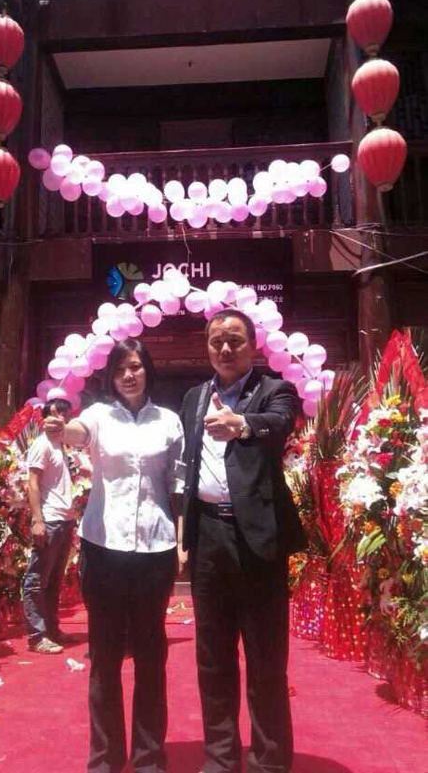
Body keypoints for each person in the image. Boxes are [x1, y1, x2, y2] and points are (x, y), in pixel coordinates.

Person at [44, 339, 185, 773]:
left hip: (155, 549)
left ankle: (149, 758)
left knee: (150, 656)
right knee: (104, 657)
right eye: (121, 368)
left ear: (148, 371)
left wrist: (182, 543)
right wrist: (60, 429)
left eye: (136, 367)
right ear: (111, 375)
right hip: (104, 549)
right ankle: (105, 758)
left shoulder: (169, 421)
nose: (129, 375)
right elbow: (78, 433)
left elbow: (177, 486)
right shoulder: (99, 416)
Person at [179, 309, 307, 773]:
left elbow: (281, 422)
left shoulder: (276, 389)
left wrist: (242, 424)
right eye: (216, 341)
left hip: (258, 539)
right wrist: (183, 535)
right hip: (208, 536)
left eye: (234, 339)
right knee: (212, 656)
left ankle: (270, 760)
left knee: (265, 655)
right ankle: (221, 757)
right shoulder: (194, 397)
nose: (225, 348)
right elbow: (188, 466)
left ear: (253, 345)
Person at [23, 398, 77, 654]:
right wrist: (37, 519)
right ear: (45, 418)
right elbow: (32, 483)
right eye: (55, 413)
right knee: (37, 579)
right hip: (50, 519)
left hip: (65, 520)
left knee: (54, 580)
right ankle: (37, 636)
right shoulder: (41, 444)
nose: (61, 418)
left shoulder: (62, 445)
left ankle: (52, 629)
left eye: (65, 413)